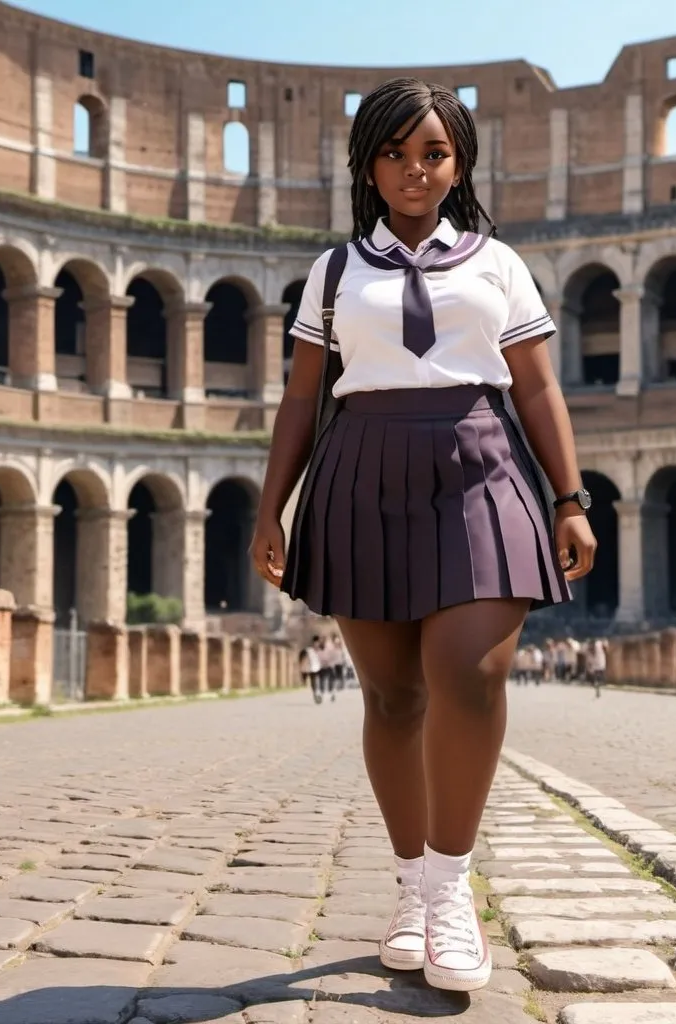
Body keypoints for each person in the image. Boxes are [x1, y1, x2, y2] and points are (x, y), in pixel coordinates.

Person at [249, 78, 596, 992]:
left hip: (480, 461)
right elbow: (299, 398)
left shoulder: (499, 263)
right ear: (369, 163)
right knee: (394, 698)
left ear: (460, 162)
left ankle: (450, 886)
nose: (415, 169)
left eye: (434, 153)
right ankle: (411, 886)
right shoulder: (332, 272)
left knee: (471, 678)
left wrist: (570, 496)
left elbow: (537, 389)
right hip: (362, 469)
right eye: (397, 153)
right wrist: (269, 506)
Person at [299, 636, 322, 703]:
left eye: (318, 643)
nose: (317, 644)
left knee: (317, 681)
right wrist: (302, 664)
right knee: (313, 682)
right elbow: (302, 658)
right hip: (311, 668)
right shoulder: (308, 650)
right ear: (313, 643)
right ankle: (316, 694)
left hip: (319, 668)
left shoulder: (321, 650)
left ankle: (318, 693)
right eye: (316, 643)